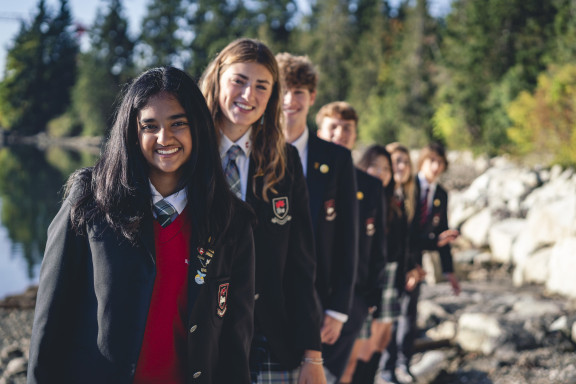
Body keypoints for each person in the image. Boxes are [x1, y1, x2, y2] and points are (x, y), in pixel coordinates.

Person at [27, 66, 256, 384]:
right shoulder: (90, 201)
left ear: (199, 128)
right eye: (150, 126)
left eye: (178, 123)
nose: (165, 138)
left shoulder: (232, 220)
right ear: (133, 133)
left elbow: (235, 339)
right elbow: (49, 323)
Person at [199, 38, 325, 384]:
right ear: (218, 80)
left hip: (268, 337)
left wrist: (312, 355)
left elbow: (302, 264)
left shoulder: (285, 162)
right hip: (196, 336)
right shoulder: (188, 152)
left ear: (272, 95)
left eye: (261, 86)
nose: (248, 95)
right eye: (239, 80)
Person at [276, 53, 359, 359]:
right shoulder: (252, 152)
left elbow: (348, 238)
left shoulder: (337, 159)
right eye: (282, 90)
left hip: (318, 299)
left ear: (311, 98)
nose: (289, 100)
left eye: (298, 92)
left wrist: (338, 308)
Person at [315, 101, 387, 383]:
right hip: (306, 296)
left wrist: (368, 300)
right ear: (320, 131)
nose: (340, 134)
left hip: (352, 300)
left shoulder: (370, 186)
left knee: (332, 374)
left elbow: (378, 246)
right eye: (333, 127)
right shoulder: (301, 173)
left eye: (347, 129)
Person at [379, 142, 460, 384]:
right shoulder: (407, 186)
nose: (435, 167)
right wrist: (412, 264)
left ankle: (403, 365)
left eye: (440, 162)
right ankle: (386, 368)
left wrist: (450, 272)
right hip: (398, 262)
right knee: (389, 317)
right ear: (422, 161)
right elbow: (403, 234)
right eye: (431, 161)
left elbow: (440, 233)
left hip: (417, 263)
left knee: (409, 316)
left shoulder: (441, 194)